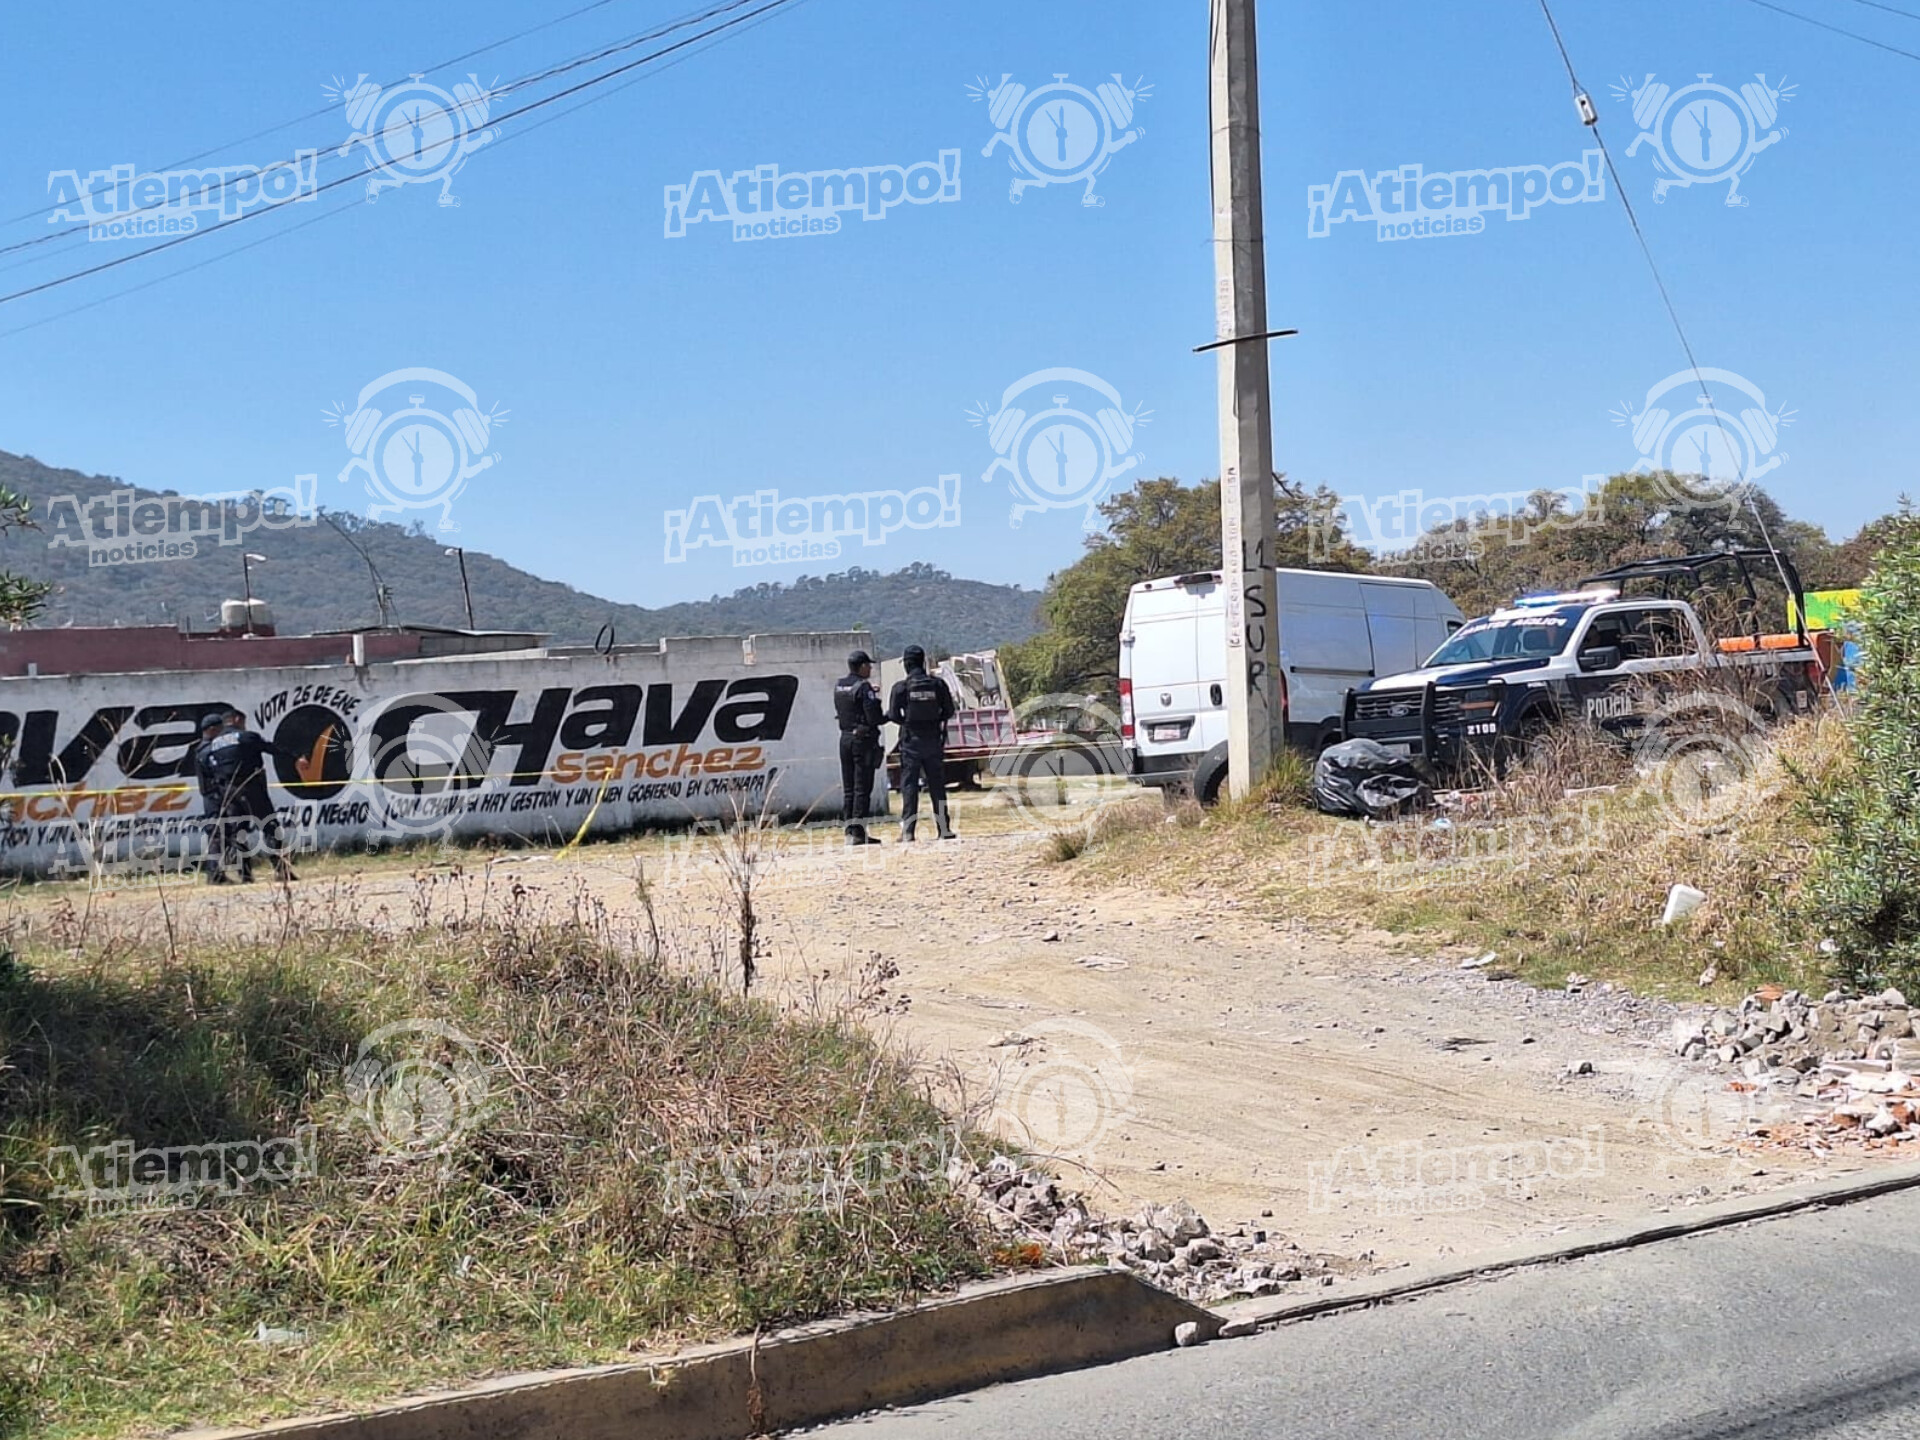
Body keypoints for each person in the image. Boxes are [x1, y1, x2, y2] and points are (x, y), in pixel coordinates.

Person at [199, 708, 298, 882]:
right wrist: (295, 758)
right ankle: (282, 870)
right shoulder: (247, 737)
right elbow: (271, 748)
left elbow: (209, 770)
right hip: (251, 787)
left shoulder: (214, 745)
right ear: (237, 720)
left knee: (239, 832)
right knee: (270, 827)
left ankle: (245, 874)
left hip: (228, 792)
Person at [887, 644, 956, 841]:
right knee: (937, 785)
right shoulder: (938, 685)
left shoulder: (901, 688)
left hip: (911, 742)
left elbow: (893, 714)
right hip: (933, 739)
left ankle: (908, 831)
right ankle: (944, 829)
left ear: (907, 664)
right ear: (923, 662)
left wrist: (907, 722)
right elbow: (950, 711)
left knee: (909, 786)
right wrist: (934, 721)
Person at [833, 649, 885, 845]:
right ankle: (858, 832)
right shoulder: (864, 688)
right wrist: (885, 714)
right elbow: (873, 718)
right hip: (862, 741)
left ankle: (849, 830)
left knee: (849, 788)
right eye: (868, 665)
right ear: (861, 666)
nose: (870, 668)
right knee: (862, 787)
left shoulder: (839, 686)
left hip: (845, 738)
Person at [191, 712, 231, 883]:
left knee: (222, 833)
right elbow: (218, 772)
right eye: (221, 729)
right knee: (217, 833)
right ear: (213, 730)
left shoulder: (202, 748)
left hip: (213, 796)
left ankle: (218, 871)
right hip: (214, 796)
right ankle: (215, 874)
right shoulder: (208, 751)